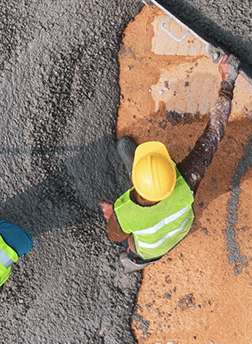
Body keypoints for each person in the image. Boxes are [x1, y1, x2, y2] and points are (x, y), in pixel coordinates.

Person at [102, 53, 239, 269]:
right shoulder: (187, 181)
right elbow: (213, 135)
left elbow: (115, 236)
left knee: (132, 246)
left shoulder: (124, 214)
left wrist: (113, 215)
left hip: (149, 249)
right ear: (171, 173)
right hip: (178, 232)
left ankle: (136, 261)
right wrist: (227, 82)